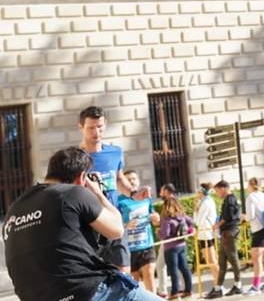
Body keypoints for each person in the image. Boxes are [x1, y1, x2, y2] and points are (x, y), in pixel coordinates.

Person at [2, 146, 162, 301]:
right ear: (81, 177)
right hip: (85, 291)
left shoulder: (14, 209)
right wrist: (97, 193)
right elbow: (117, 230)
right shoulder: (72, 193)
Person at [77, 105, 133, 274]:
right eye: (91, 128)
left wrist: (134, 193)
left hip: (114, 221)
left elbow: (119, 178)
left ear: (105, 125)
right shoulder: (76, 157)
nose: (96, 132)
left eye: (100, 127)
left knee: (124, 272)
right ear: (81, 128)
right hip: (89, 225)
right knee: (94, 276)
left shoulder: (115, 152)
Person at [115, 171, 159, 294]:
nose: (132, 181)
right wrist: (126, 225)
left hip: (146, 245)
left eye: (134, 178)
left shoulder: (146, 198)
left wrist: (156, 218)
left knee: (149, 273)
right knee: (135, 283)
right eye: (128, 179)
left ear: (138, 181)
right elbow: (115, 224)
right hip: (129, 248)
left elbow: (154, 218)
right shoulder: (119, 201)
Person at [207, 180, 242, 297]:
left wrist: (217, 225)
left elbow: (228, 216)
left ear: (223, 188)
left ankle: (238, 285)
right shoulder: (230, 199)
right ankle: (218, 288)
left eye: (217, 191)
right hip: (226, 232)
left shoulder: (230, 199)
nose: (217, 194)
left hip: (229, 231)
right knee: (222, 261)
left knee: (232, 258)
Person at [159, 190, 194, 299]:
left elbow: (165, 234)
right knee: (184, 267)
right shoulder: (182, 216)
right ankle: (188, 290)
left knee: (173, 269)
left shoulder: (167, 219)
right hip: (181, 245)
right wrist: (189, 230)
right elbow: (191, 222)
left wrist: (158, 232)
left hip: (170, 247)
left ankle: (174, 292)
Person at [242, 177, 264, 293]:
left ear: (251, 185)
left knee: (257, 259)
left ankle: (255, 286)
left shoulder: (250, 197)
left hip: (258, 230)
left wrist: (243, 217)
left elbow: (250, 216)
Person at [193, 183, 219, 297]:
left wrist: (196, 209)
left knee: (212, 260)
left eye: (197, 191)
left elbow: (198, 221)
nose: (196, 194)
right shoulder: (207, 201)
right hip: (206, 233)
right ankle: (217, 285)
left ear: (201, 192)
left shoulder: (205, 203)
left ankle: (218, 286)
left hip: (206, 233)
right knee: (211, 260)